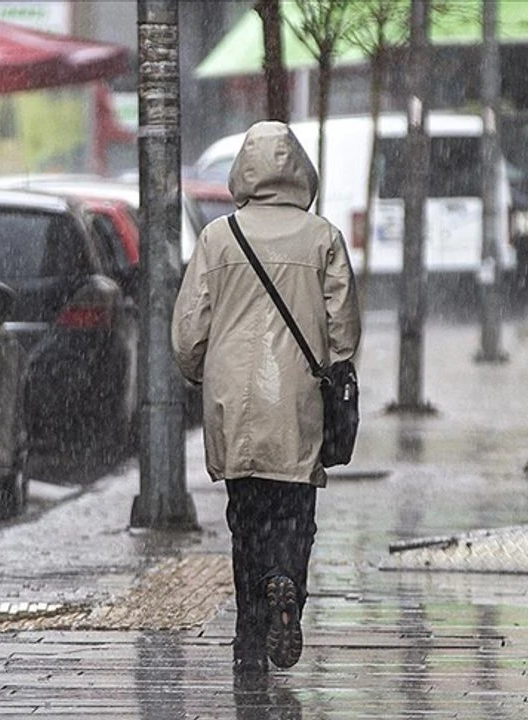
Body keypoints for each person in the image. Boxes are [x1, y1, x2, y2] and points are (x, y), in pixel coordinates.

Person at [172, 121, 361, 674]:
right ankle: (287, 586)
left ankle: (248, 639)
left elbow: (189, 332)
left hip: (235, 400)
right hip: (297, 395)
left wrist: (197, 372)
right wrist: (333, 363)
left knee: (245, 517)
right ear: (300, 171)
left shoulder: (217, 237)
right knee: (295, 514)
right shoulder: (322, 236)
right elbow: (343, 330)